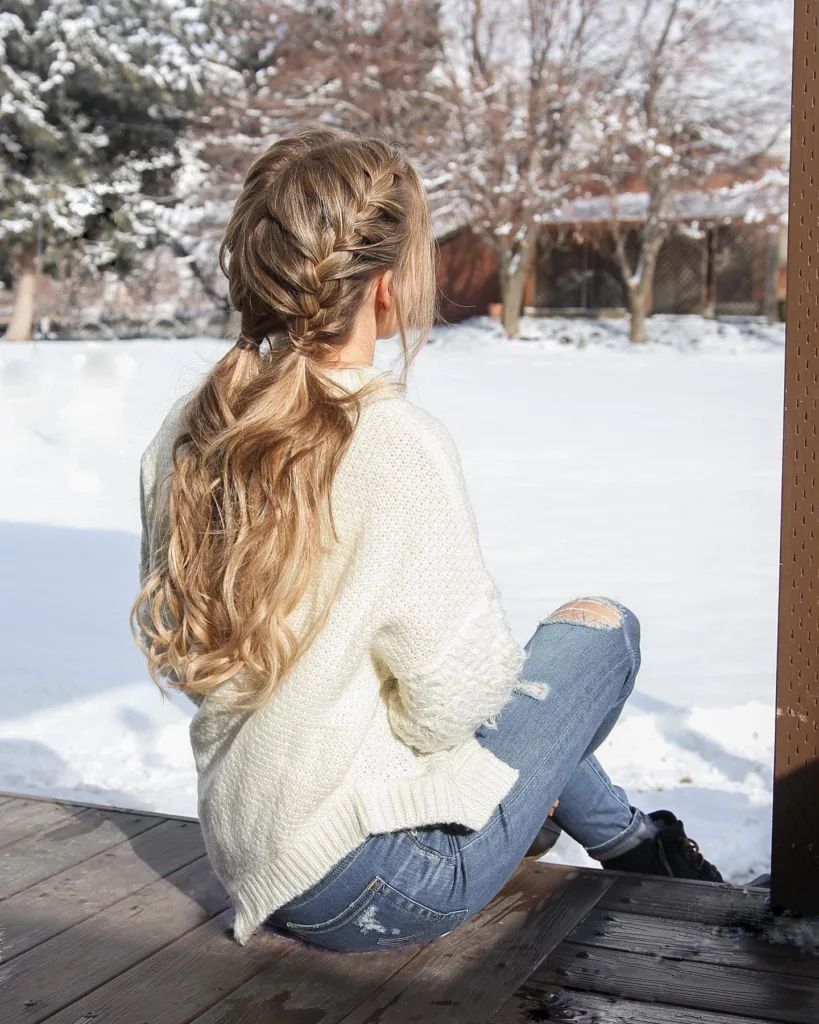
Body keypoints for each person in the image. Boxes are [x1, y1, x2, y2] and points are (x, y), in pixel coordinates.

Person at [133, 126, 722, 954]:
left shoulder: (191, 427)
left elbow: (190, 652)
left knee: (455, 688)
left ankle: (630, 843)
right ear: (385, 287)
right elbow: (455, 705)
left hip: (256, 855)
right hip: (389, 879)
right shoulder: (391, 441)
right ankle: (615, 837)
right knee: (598, 630)